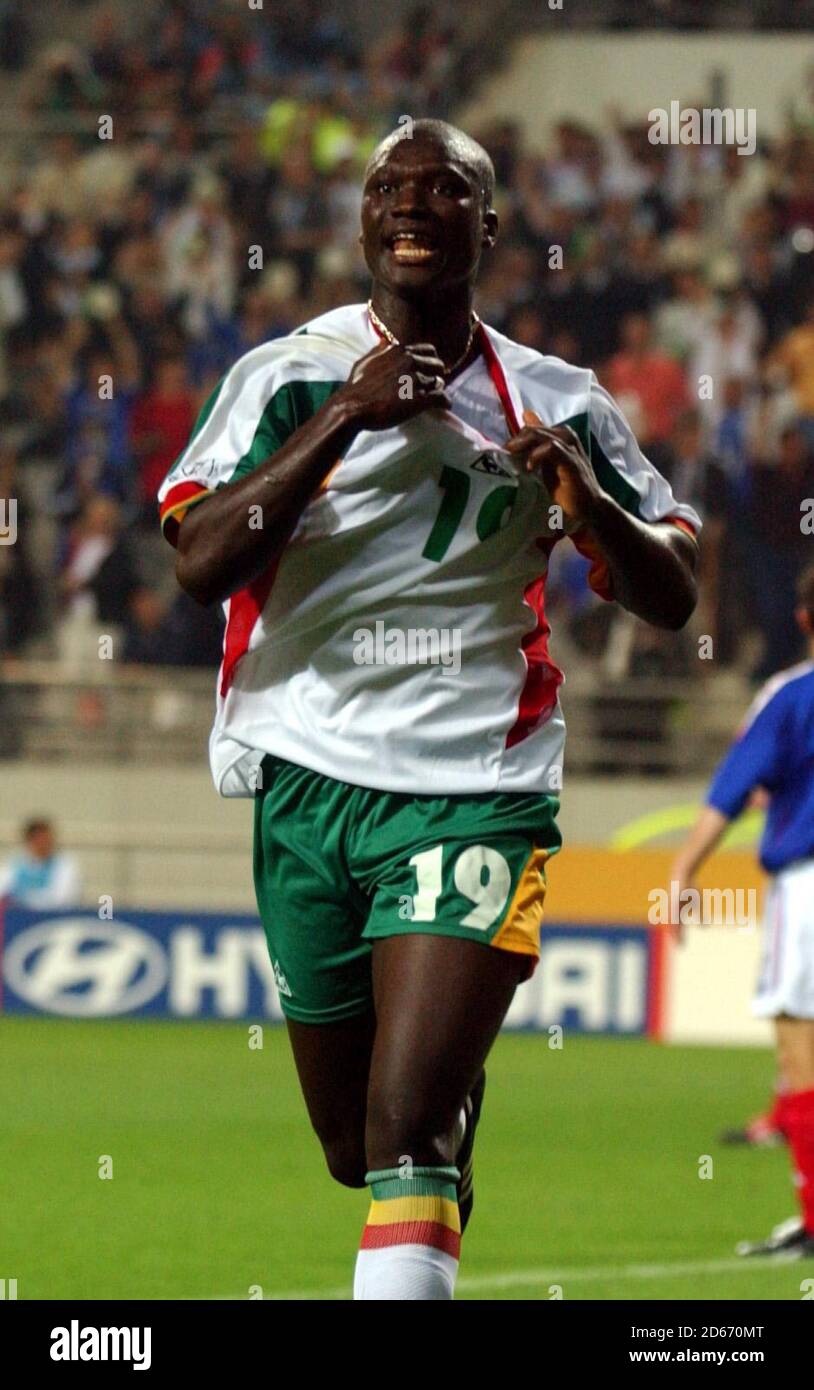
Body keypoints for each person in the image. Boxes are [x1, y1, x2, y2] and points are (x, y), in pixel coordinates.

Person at [158, 119, 700, 1301]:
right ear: (361, 223)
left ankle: (438, 1114)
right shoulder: (285, 374)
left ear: (488, 226)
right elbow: (199, 560)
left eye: (442, 189)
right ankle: (445, 1114)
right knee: (356, 1146)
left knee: (409, 1124)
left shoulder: (558, 398)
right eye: (386, 188)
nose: (410, 203)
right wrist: (344, 416)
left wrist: (589, 506)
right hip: (304, 782)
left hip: (474, 787)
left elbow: (672, 590)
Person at [671, 564, 814, 1258]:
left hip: (807, 886)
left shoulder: (791, 695)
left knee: (798, 1043)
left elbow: (732, 789)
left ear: (805, 619)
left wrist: (682, 869)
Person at [0, 818, 81, 909]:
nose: (44, 844)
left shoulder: (65, 864)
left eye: (47, 840)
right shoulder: (15, 863)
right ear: (29, 841)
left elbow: (64, 898)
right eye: (40, 840)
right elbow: (3, 890)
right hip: (20, 915)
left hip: (53, 917)